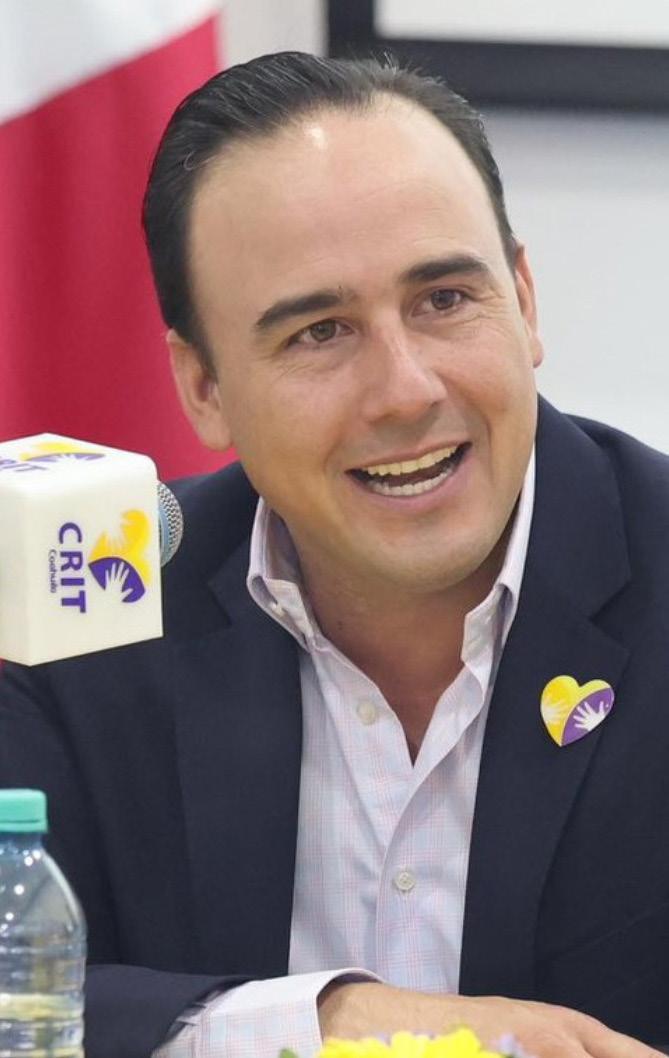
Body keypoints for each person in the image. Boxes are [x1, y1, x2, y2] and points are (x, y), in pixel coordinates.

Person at [1, 51, 668, 1058]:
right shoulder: (88, 608)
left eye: (445, 299)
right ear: (204, 389)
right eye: (320, 332)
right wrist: (326, 1020)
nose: (405, 390)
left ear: (524, 300)